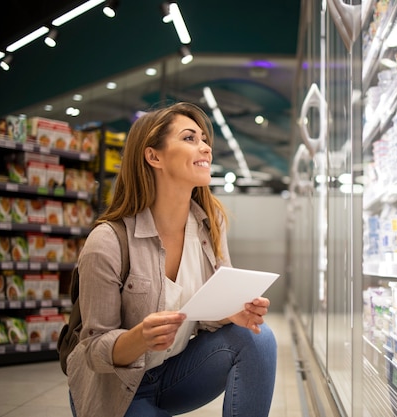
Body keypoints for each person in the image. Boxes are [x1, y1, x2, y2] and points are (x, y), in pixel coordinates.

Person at [65, 102, 277, 417]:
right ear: (154, 156)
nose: (205, 147)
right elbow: (94, 351)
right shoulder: (108, 241)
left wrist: (233, 312)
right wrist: (138, 338)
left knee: (258, 339)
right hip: (115, 388)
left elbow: (207, 315)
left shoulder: (210, 225)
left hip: (174, 373)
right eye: (190, 138)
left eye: (205, 140)